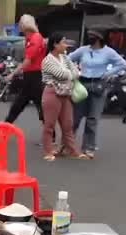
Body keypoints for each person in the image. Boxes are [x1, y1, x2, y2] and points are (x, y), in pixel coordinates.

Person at [69, 30, 126, 159]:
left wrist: (108, 74)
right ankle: (68, 145)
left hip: (98, 85)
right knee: (75, 118)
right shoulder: (83, 50)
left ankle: (88, 148)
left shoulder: (108, 52)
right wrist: (74, 70)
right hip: (82, 85)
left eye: (93, 36)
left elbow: (123, 64)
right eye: (89, 36)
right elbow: (68, 59)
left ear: (100, 38)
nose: (90, 38)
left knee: (92, 119)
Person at [41, 33, 85, 162]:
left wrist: (71, 73)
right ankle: (48, 151)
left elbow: (76, 73)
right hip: (52, 93)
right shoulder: (47, 60)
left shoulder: (65, 57)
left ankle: (72, 150)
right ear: (55, 44)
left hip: (65, 93)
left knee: (68, 124)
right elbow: (62, 75)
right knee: (49, 124)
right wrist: (71, 73)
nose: (66, 45)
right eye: (63, 42)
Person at [5, 14, 45, 124]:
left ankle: (51, 137)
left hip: (35, 76)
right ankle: (4, 128)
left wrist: (12, 74)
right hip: (30, 76)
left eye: (20, 23)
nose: (18, 26)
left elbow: (28, 61)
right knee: (18, 104)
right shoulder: (29, 38)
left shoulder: (36, 38)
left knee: (41, 108)